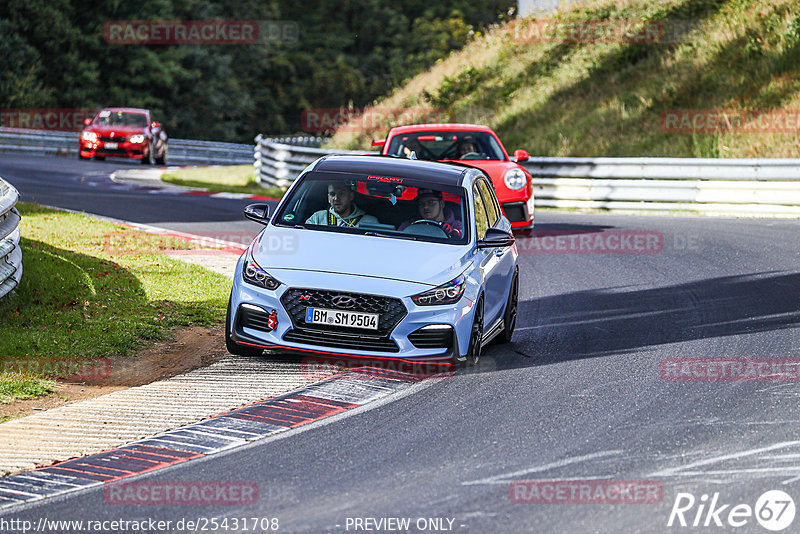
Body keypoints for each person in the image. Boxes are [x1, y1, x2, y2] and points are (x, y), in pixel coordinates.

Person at [306, 181, 379, 227]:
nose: (336, 198)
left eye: (341, 194)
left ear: (351, 196)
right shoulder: (317, 218)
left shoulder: (369, 222)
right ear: (328, 198)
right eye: (332, 194)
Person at [398, 189, 463, 238]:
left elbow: (461, 236)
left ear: (441, 204)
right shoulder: (408, 226)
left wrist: (452, 233)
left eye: (431, 202)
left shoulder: (456, 225)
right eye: (421, 204)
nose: (425, 207)